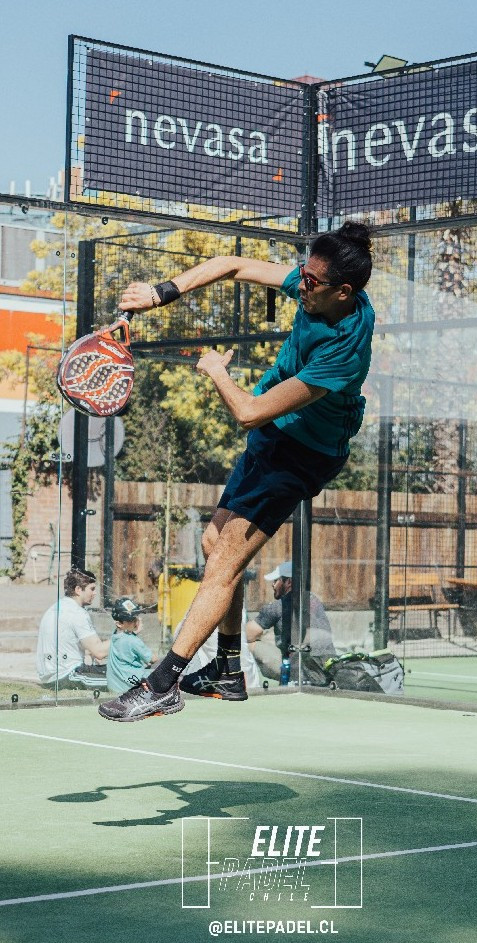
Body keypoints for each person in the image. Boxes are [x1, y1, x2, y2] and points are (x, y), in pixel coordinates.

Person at [98, 221, 375, 722]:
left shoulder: (345, 351)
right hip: (275, 437)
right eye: (303, 274)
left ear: (344, 292)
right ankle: (227, 670)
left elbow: (248, 411)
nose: (301, 284)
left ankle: (162, 683)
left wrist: (217, 372)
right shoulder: (315, 287)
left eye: (311, 281)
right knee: (214, 544)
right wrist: (162, 293)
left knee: (224, 563)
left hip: (303, 454)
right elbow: (232, 264)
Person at [246, 561, 336, 681]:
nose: (272, 585)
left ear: (288, 582)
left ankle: (249, 683)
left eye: (276, 580)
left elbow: (247, 635)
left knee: (246, 644)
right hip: (326, 670)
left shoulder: (279, 606)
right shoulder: (314, 600)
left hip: (299, 672)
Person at [36, 568, 110, 688]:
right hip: (66, 675)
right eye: (92, 589)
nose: (95, 593)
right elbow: (99, 652)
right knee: (121, 680)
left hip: (52, 675)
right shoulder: (77, 613)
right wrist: (125, 635)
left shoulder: (57, 607)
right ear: (78, 590)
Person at [106, 597, 155, 694]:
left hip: (115, 686)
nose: (135, 622)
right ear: (119, 624)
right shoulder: (133, 641)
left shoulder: (115, 636)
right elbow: (153, 659)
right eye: (131, 620)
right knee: (164, 668)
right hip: (132, 686)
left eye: (136, 617)